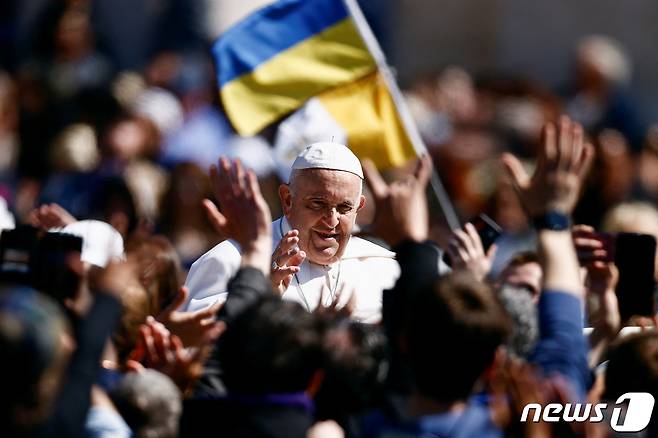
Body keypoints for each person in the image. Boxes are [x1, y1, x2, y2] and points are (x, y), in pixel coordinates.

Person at [183, 142, 399, 322]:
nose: (331, 220)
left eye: (344, 208)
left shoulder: (382, 268)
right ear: (288, 199)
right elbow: (194, 343)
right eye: (318, 203)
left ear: (359, 207)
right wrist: (258, 294)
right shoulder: (232, 260)